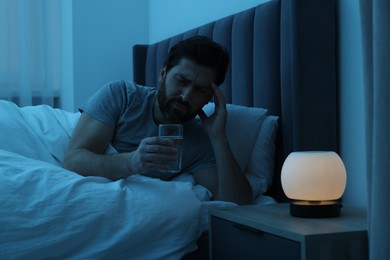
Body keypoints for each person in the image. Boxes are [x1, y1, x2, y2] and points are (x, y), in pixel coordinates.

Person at [63, 36, 252, 205]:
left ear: (211, 96)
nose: (186, 96)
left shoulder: (199, 139)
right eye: (181, 81)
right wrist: (133, 162)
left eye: (200, 90)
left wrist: (219, 138)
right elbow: (73, 160)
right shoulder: (122, 96)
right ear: (163, 74)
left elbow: (236, 203)